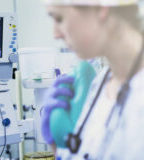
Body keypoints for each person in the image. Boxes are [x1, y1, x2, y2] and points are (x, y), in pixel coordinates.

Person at [41, 0, 144, 159]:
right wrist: (55, 144)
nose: (56, 34)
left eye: (59, 18)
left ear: (100, 8)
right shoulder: (100, 83)